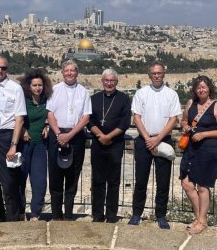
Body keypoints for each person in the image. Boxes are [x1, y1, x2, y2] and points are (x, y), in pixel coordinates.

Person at [129, 62, 181, 230]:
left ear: (164, 74)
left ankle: (161, 215)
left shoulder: (171, 94)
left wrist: (157, 139)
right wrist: (148, 139)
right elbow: (137, 117)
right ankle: (136, 213)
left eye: (159, 73)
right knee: (140, 180)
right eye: (153, 73)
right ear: (149, 75)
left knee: (163, 181)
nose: (157, 75)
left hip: (163, 141)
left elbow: (173, 119)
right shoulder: (141, 93)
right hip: (144, 141)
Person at [180, 75, 217, 235]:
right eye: (198, 87)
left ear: (209, 89)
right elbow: (184, 120)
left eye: (204, 87)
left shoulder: (216, 106)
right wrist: (185, 126)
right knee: (186, 184)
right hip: (192, 149)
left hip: (210, 150)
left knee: (202, 186)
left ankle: (202, 221)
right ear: (195, 90)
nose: (201, 89)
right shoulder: (190, 103)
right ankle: (199, 217)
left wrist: (204, 134)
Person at [0, 56, 27, 222]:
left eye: (3, 68)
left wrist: (14, 145)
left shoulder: (15, 88)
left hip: (7, 137)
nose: (0, 71)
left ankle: (13, 217)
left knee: (9, 180)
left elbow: (19, 119)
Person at [46, 60, 92, 220]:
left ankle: (69, 215)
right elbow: (49, 113)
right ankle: (56, 215)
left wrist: (70, 135)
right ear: (62, 73)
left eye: (72, 70)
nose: (70, 73)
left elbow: (86, 117)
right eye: (67, 71)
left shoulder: (83, 92)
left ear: (77, 72)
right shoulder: (54, 90)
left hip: (76, 137)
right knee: (55, 175)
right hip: (56, 136)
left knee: (73, 176)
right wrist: (59, 134)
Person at [88, 69, 132, 223]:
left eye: (112, 80)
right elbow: (89, 120)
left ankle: (112, 215)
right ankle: (98, 215)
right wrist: (100, 136)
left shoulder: (124, 99)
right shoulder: (93, 99)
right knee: (97, 180)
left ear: (116, 82)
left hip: (115, 144)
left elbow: (125, 123)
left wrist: (108, 137)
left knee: (113, 181)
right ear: (102, 81)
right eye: (106, 80)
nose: (109, 83)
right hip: (98, 144)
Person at [18, 69, 53, 221]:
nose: (38, 88)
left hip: (40, 145)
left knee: (39, 181)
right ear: (28, 86)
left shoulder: (46, 101)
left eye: (40, 85)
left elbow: (51, 116)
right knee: (20, 180)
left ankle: (35, 213)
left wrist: (46, 125)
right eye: (34, 85)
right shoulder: (23, 101)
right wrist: (23, 130)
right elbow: (17, 118)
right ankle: (20, 212)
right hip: (24, 145)